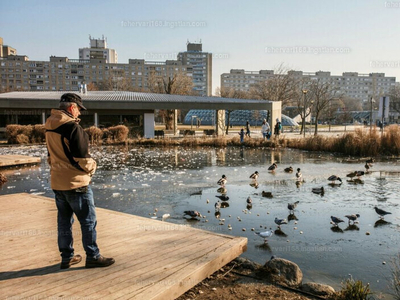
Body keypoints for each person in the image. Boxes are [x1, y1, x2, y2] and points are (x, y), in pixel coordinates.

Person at [45, 93, 115, 269]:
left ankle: (66, 257)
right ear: (71, 108)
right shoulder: (73, 128)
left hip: (57, 183)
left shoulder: (50, 127)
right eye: (79, 110)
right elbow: (82, 159)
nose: (80, 114)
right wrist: (93, 168)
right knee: (88, 221)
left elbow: (50, 157)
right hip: (76, 184)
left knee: (64, 222)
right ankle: (93, 256)